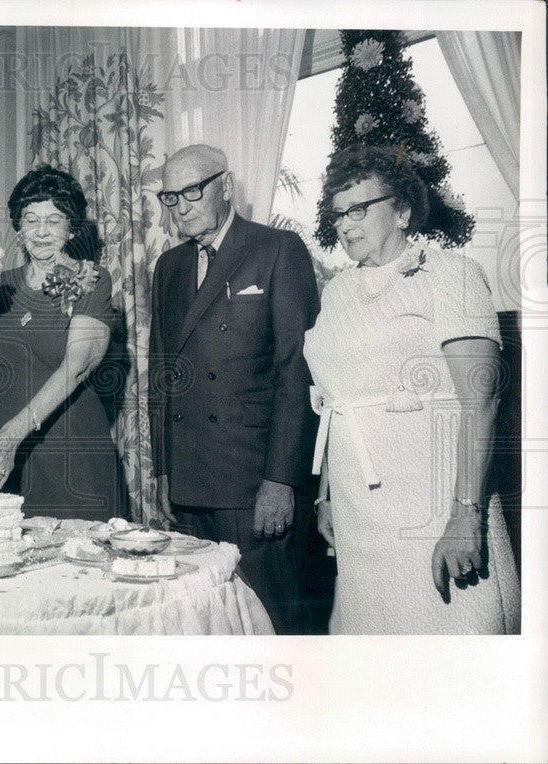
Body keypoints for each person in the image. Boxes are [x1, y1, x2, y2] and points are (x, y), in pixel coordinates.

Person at [304, 143, 520, 634]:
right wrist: (327, 496)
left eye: (358, 209)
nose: (344, 224)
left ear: (402, 210)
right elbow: (340, 402)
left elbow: (481, 402)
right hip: (362, 516)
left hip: (434, 504)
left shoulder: (452, 276)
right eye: (337, 213)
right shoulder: (337, 293)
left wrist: (467, 517)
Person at [148, 144, 320, 634]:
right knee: (206, 621)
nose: (179, 206)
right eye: (169, 196)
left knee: (270, 618)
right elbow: (162, 373)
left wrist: (282, 480)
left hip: (252, 481)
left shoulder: (276, 250)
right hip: (190, 480)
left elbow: (297, 370)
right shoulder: (169, 267)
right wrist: (163, 470)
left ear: (225, 186)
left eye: (192, 191)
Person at [0, 166, 125, 521]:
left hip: (71, 453)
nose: (41, 231)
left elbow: (78, 364)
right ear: (18, 227)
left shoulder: (92, 279)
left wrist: (10, 437)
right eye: (30, 219)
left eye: (53, 221)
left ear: (71, 229)